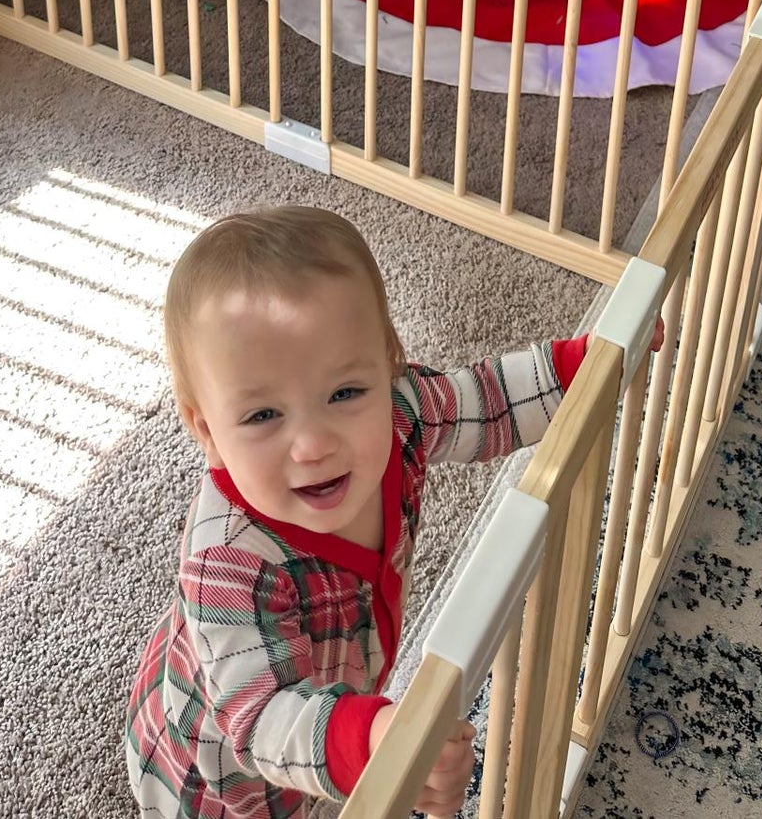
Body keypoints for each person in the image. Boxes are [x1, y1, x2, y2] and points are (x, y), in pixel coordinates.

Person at [125, 206, 658, 817]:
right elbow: (263, 718)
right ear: (207, 431)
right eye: (262, 416)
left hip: (336, 679)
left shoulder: (399, 413)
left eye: (345, 392)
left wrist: (584, 370)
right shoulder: (227, 566)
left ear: (388, 364)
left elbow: (482, 402)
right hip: (220, 774)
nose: (313, 445)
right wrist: (375, 740)